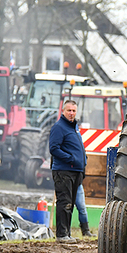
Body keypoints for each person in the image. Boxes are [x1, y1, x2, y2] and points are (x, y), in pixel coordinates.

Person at [49, 99, 87, 243]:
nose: (71, 113)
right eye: (69, 110)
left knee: (70, 204)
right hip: (64, 171)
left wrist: (84, 160)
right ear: (63, 111)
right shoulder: (59, 127)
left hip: (76, 172)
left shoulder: (74, 128)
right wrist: (70, 158)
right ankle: (61, 234)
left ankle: (67, 233)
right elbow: (54, 148)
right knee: (64, 202)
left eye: (73, 111)